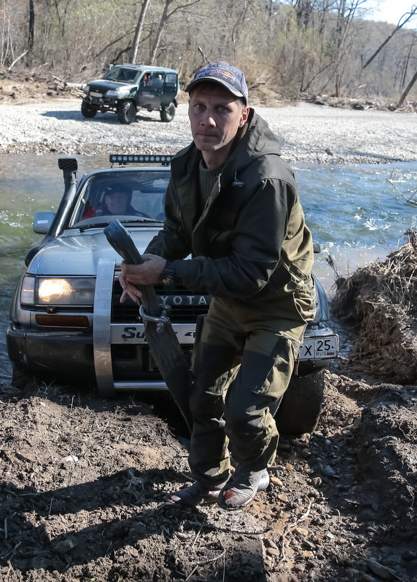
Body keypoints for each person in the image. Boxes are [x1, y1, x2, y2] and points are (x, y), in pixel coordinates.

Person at [118, 61, 316, 511]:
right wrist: (140, 263)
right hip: (228, 304)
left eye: (221, 109)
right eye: (199, 107)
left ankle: (252, 470)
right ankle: (208, 477)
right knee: (201, 395)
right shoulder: (188, 164)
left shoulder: (268, 179)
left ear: (243, 115)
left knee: (244, 411)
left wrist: (165, 274)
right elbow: (177, 234)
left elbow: (250, 274)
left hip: (277, 304)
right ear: (187, 109)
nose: (207, 120)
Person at [82, 182, 148, 219]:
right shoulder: (93, 215)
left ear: (127, 200)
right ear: (106, 201)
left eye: (120, 197)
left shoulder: (141, 218)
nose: (116, 200)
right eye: (112, 197)